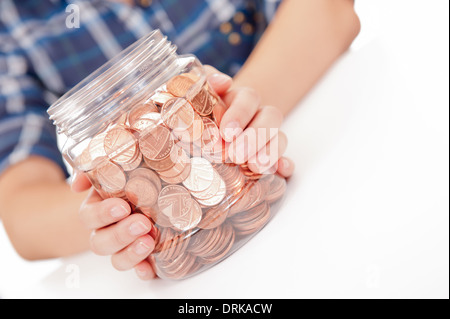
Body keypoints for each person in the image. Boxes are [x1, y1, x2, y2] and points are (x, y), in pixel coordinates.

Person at [0, 0, 360, 280]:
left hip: (340, 148)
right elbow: (22, 216)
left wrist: (232, 116)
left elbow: (328, 11)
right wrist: (120, 210)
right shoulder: (9, 21)